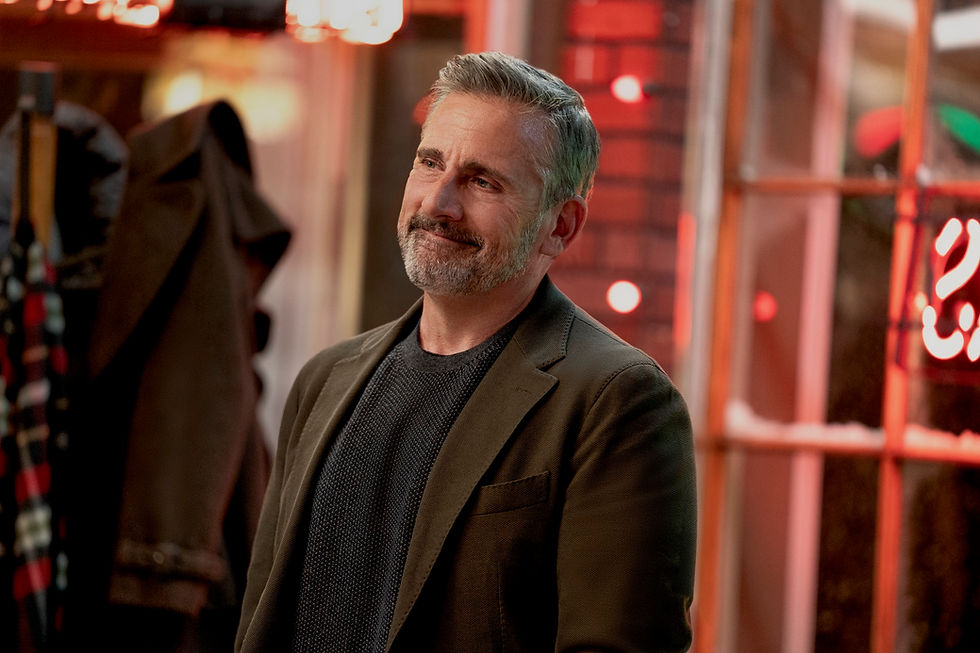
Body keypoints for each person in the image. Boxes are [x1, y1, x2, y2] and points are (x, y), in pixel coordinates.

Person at [235, 51, 697, 653]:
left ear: (561, 226)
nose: (438, 204)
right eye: (430, 164)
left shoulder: (619, 401)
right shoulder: (324, 380)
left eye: (483, 181)